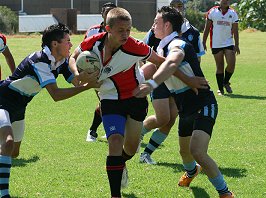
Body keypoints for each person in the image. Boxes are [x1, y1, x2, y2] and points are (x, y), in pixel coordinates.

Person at [69, 7, 206, 198]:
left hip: (135, 99)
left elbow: (163, 61)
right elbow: (73, 58)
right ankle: (115, 194)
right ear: (108, 29)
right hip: (109, 99)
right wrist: (76, 74)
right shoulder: (93, 41)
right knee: (115, 142)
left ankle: (120, 163)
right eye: (120, 31)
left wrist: (189, 80)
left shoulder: (134, 46)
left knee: (130, 149)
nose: (126, 34)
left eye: (128, 30)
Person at [134, 6, 234, 198]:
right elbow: (146, 70)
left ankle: (225, 192)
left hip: (204, 103)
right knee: (184, 153)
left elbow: (171, 63)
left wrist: (153, 84)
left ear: (167, 25)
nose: (153, 25)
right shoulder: (162, 46)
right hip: (185, 107)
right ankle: (191, 171)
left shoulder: (177, 44)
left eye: (156, 22)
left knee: (197, 151)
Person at [0, 23, 100, 198]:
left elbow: (76, 81)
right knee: (7, 143)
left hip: (20, 106)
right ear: (55, 44)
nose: (71, 45)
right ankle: (4, 194)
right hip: (2, 100)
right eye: (67, 41)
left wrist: (90, 76)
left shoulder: (60, 62)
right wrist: (86, 87)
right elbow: (56, 94)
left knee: (14, 152)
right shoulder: (40, 60)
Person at [139, 0, 206, 165]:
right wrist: (146, 78)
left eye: (180, 6)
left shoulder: (193, 32)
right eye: (174, 5)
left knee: (170, 120)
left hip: (178, 84)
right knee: (162, 118)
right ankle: (136, 134)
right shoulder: (157, 28)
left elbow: (194, 60)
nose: (177, 8)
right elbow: (145, 54)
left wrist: (190, 79)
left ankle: (146, 154)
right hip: (161, 79)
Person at [84, 2, 117, 142]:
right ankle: (92, 131)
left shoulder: (119, 29)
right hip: (97, 72)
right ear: (102, 14)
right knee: (105, 101)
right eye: (107, 12)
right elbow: (84, 52)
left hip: (115, 71)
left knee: (111, 102)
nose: (109, 15)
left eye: (112, 12)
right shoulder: (93, 31)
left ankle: (109, 129)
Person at [202, 0, 240, 96]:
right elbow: (206, 28)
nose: (225, 1)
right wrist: (203, 42)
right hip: (216, 44)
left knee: (231, 65)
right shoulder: (212, 12)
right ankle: (220, 89)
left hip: (228, 43)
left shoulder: (233, 13)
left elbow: (235, 31)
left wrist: (237, 45)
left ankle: (225, 82)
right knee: (220, 66)